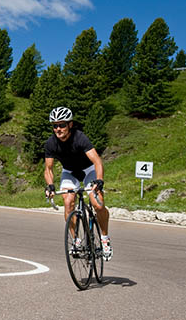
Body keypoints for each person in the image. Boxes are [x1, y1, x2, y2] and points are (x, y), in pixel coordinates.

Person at [43, 106, 113, 261]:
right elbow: (48, 169)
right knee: (68, 202)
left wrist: (99, 180)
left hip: (88, 170)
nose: (58, 129)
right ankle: (75, 240)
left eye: (62, 125)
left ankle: (105, 238)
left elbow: (97, 161)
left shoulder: (80, 138)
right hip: (69, 172)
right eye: (55, 126)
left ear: (70, 125)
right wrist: (50, 185)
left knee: (98, 204)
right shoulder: (50, 143)